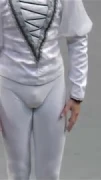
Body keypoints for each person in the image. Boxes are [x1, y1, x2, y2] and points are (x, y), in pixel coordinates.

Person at [0, 0, 92, 179]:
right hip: (11, 87)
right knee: (17, 172)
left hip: (52, 86)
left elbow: (78, 36)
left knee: (50, 173)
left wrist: (77, 94)